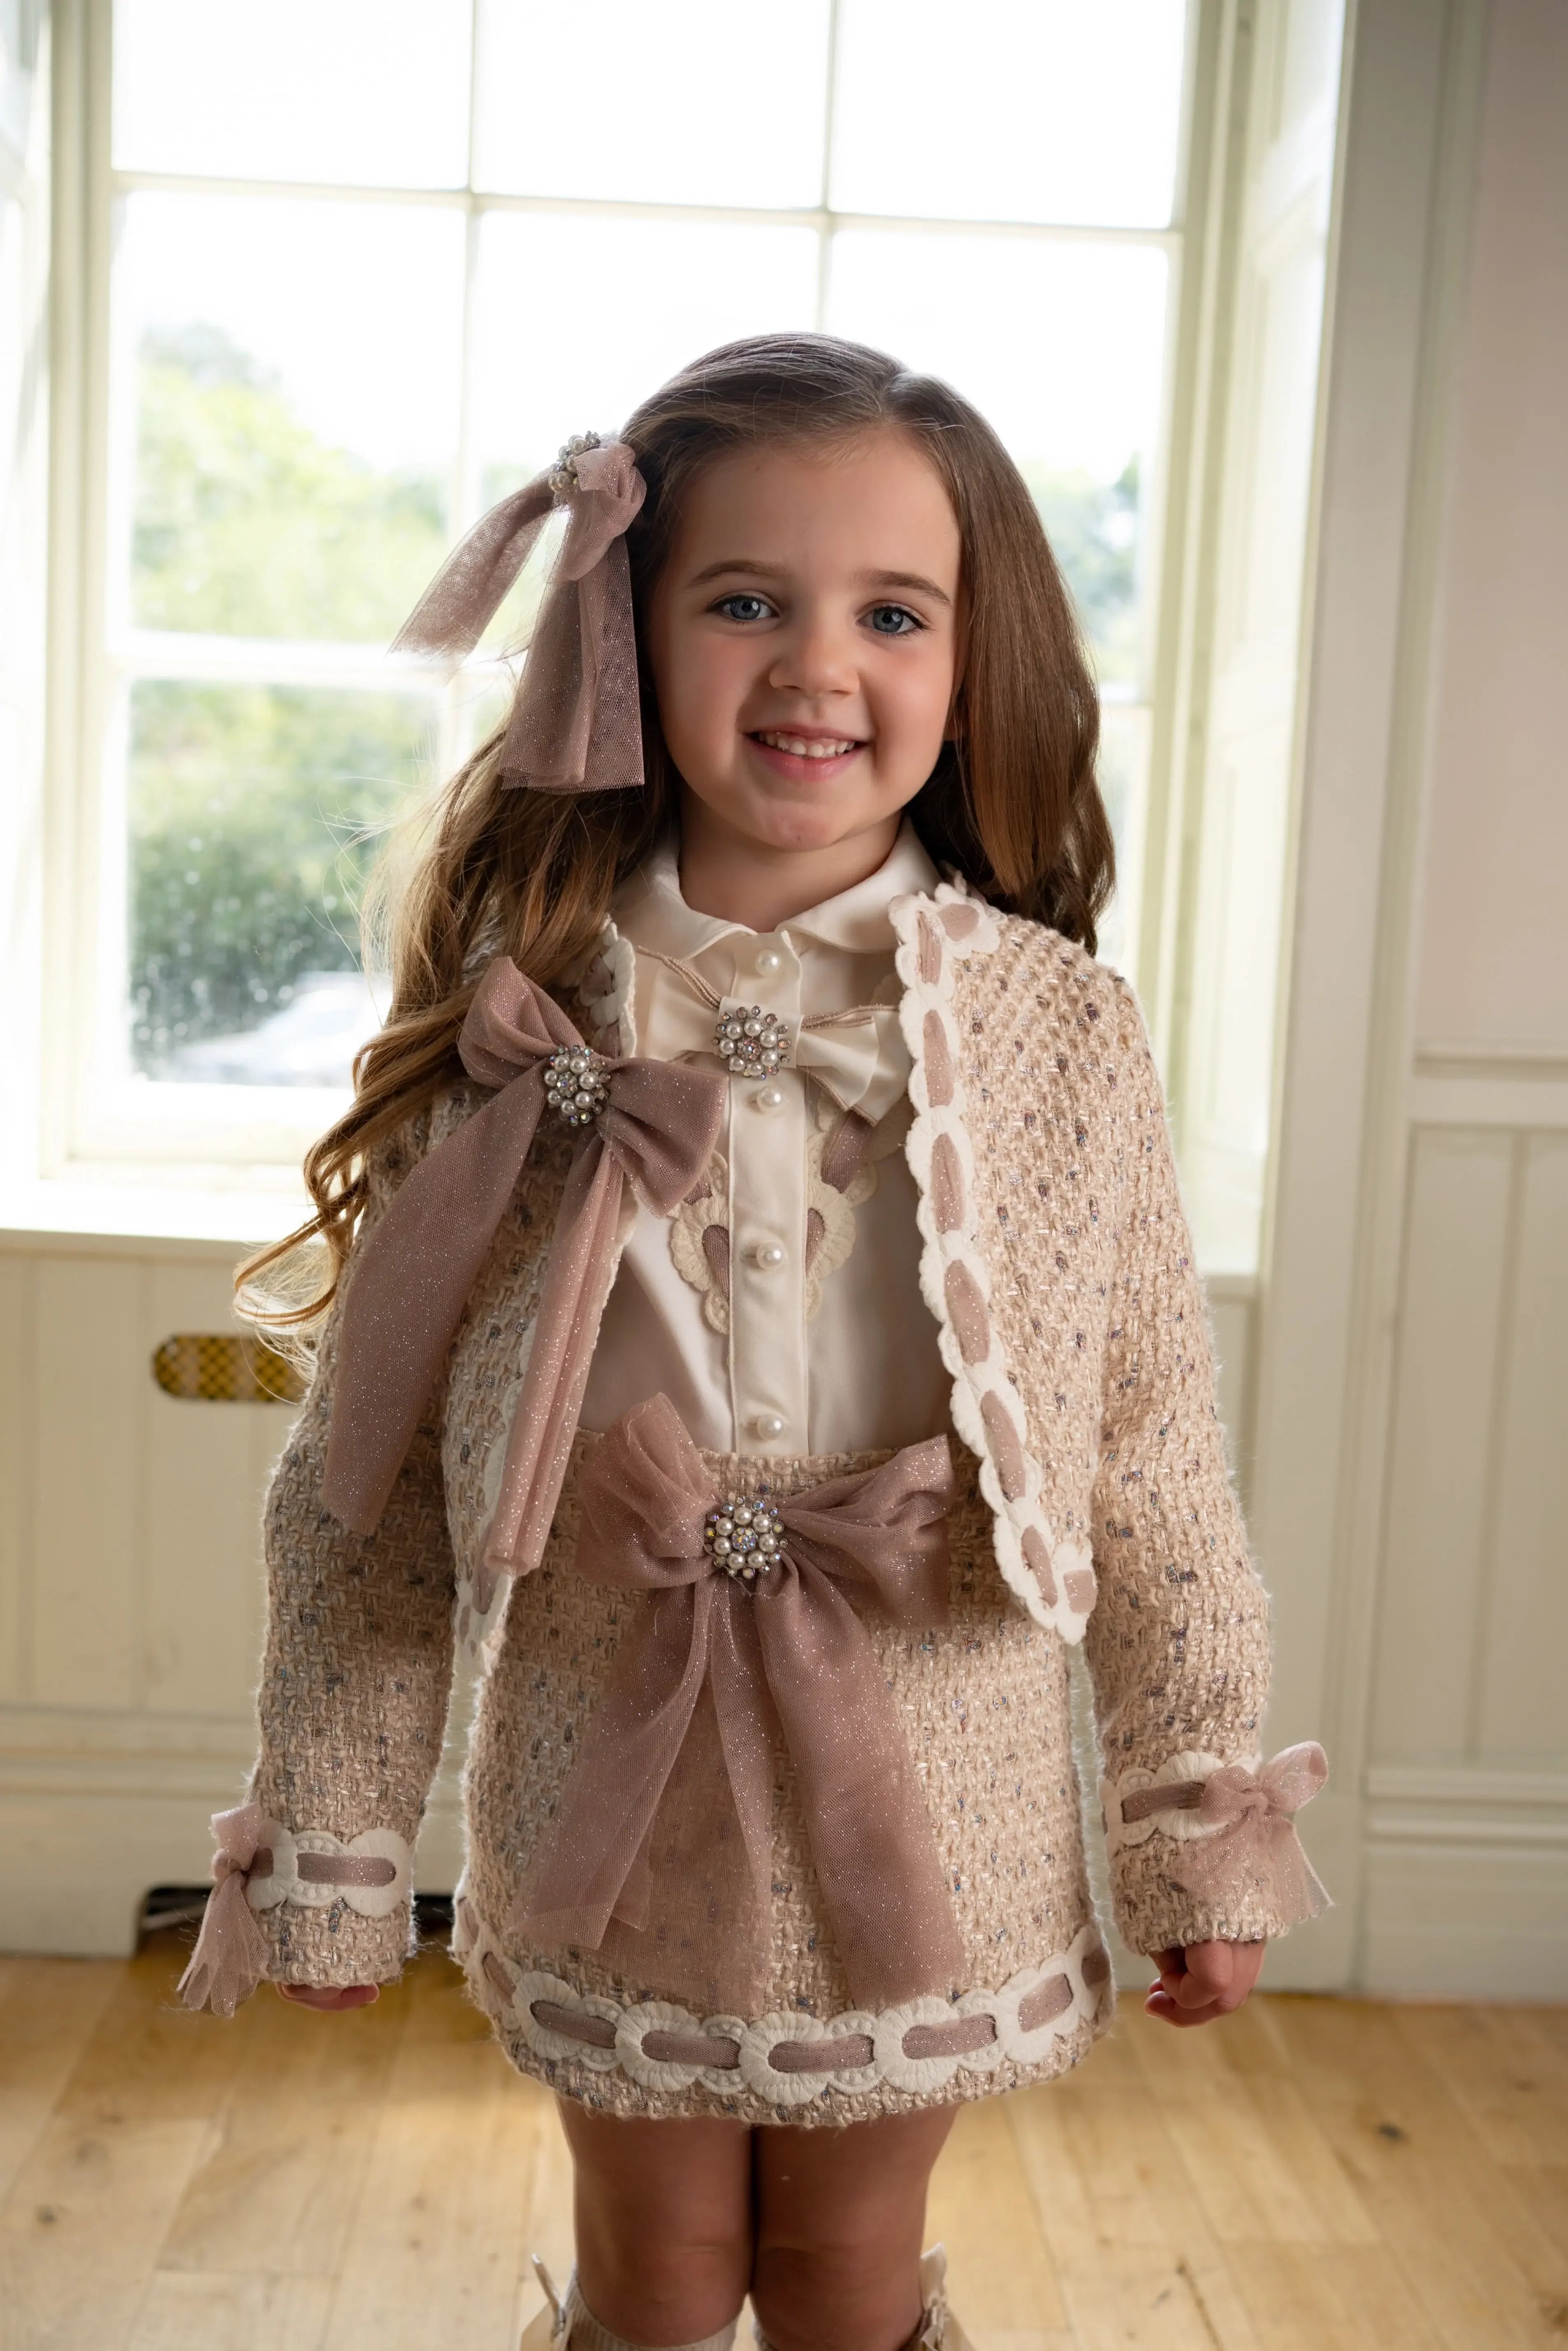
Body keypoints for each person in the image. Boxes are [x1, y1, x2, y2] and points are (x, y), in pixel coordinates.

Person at [179, 335, 1329, 2351]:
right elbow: (359, 1494)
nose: (816, 668)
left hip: (933, 1760)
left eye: (889, 612)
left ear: (974, 669)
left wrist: (1191, 1819)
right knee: (659, 2265)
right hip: (600, 1754)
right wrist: (340, 1843)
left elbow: (1146, 1454)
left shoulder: (1058, 1033)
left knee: (837, 2269)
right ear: (624, 636)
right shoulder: (525, 1020)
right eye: (743, 601)